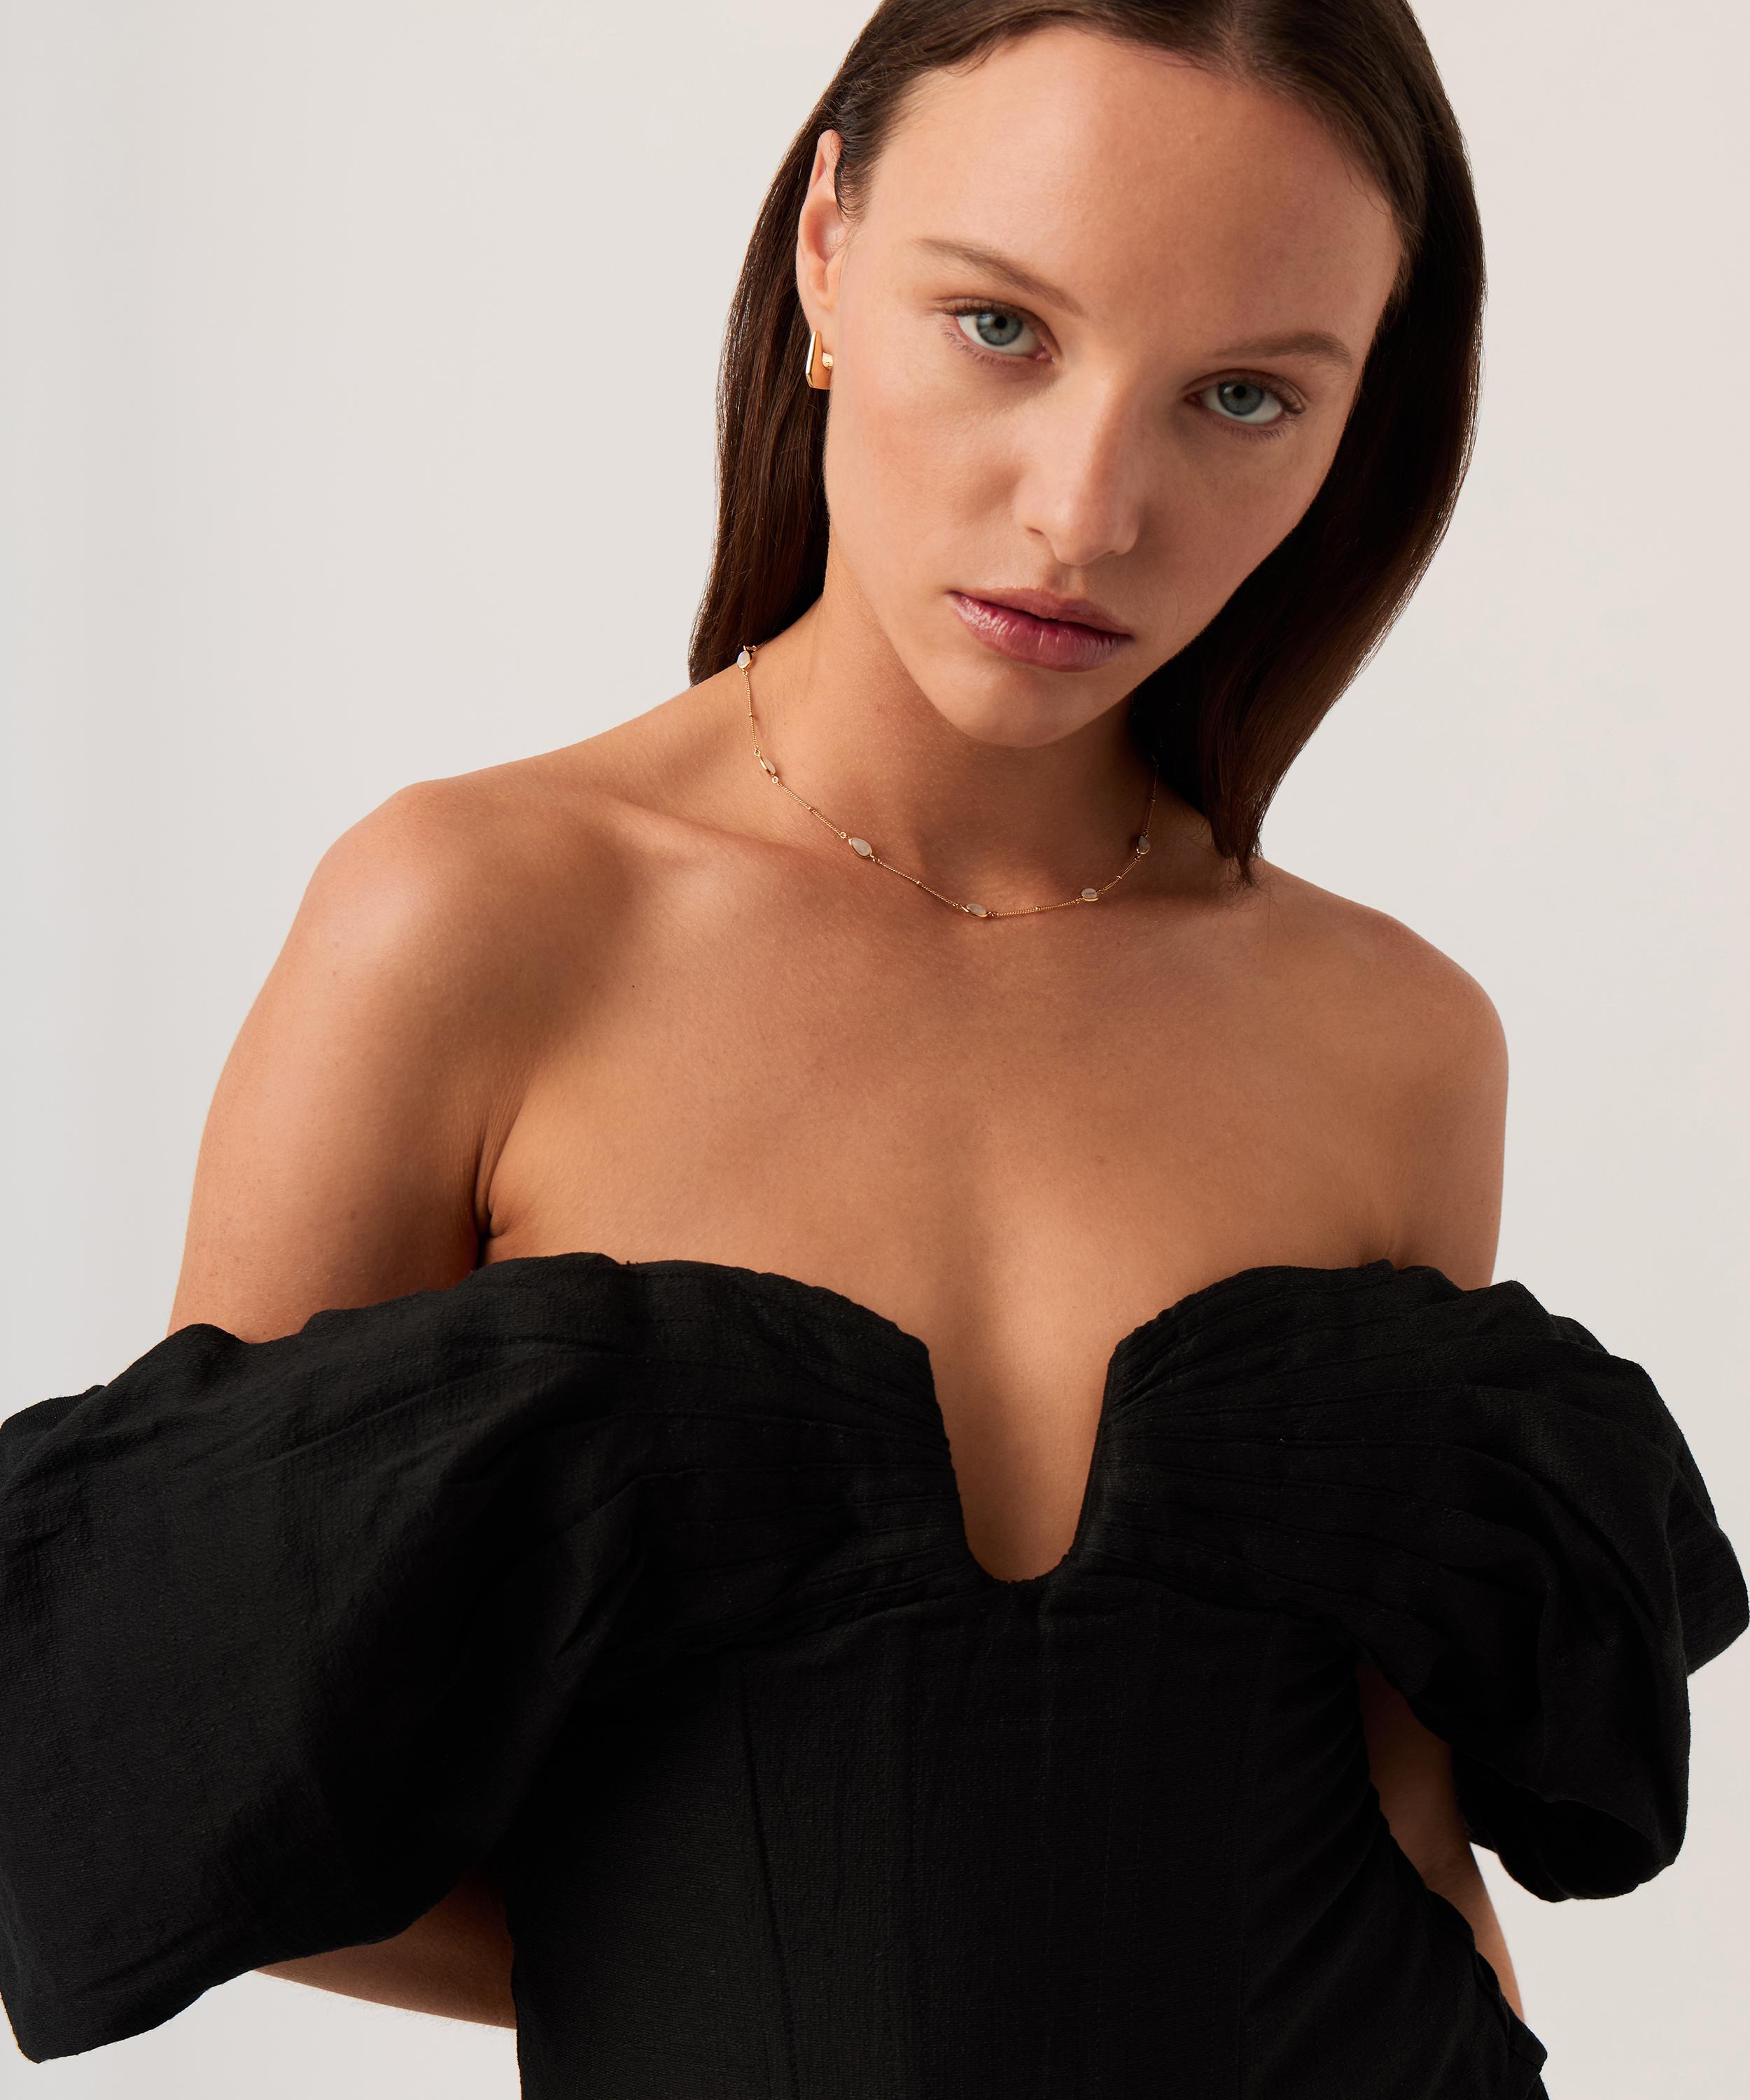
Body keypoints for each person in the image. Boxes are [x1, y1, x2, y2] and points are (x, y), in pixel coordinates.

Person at [1, 4, 1743, 2094]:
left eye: (1242, 396)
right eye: (1002, 327)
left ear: (1354, 420)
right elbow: (190, 1765)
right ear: (827, 248)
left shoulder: (1396, 1040)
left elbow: (1406, 1824)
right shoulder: (469, 924)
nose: (1088, 509)